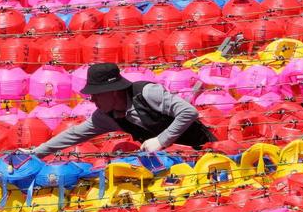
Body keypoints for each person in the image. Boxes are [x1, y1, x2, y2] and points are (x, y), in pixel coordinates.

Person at [25, 63, 216, 157]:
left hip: (203, 150)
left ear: (113, 92)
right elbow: (75, 134)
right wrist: (35, 154)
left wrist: (161, 140)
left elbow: (189, 112)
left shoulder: (147, 93)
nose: (93, 100)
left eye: (97, 94)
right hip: (171, 159)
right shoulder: (106, 115)